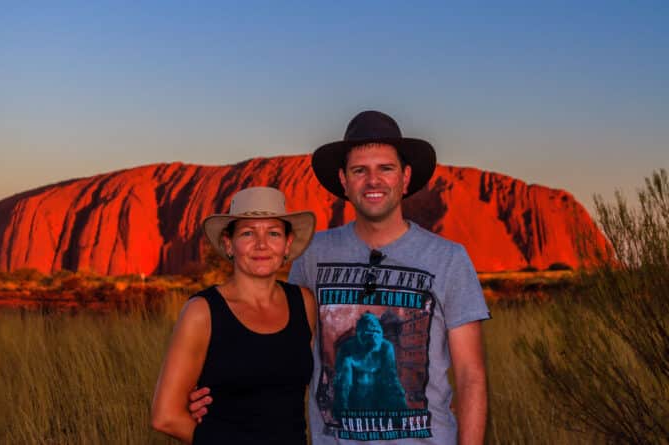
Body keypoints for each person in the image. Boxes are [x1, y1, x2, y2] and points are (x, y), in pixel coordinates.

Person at [190, 110, 490, 444]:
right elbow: (284, 354)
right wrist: (217, 392)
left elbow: (470, 377)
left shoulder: (448, 259)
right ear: (344, 181)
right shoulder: (313, 254)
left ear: (405, 177)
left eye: (385, 168)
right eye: (360, 170)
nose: (372, 181)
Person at [151, 186, 318, 444]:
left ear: (287, 244)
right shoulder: (203, 311)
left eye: (273, 233)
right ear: (229, 244)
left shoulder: (303, 303)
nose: (261, 244)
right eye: (248, 233)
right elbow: (165, 416)